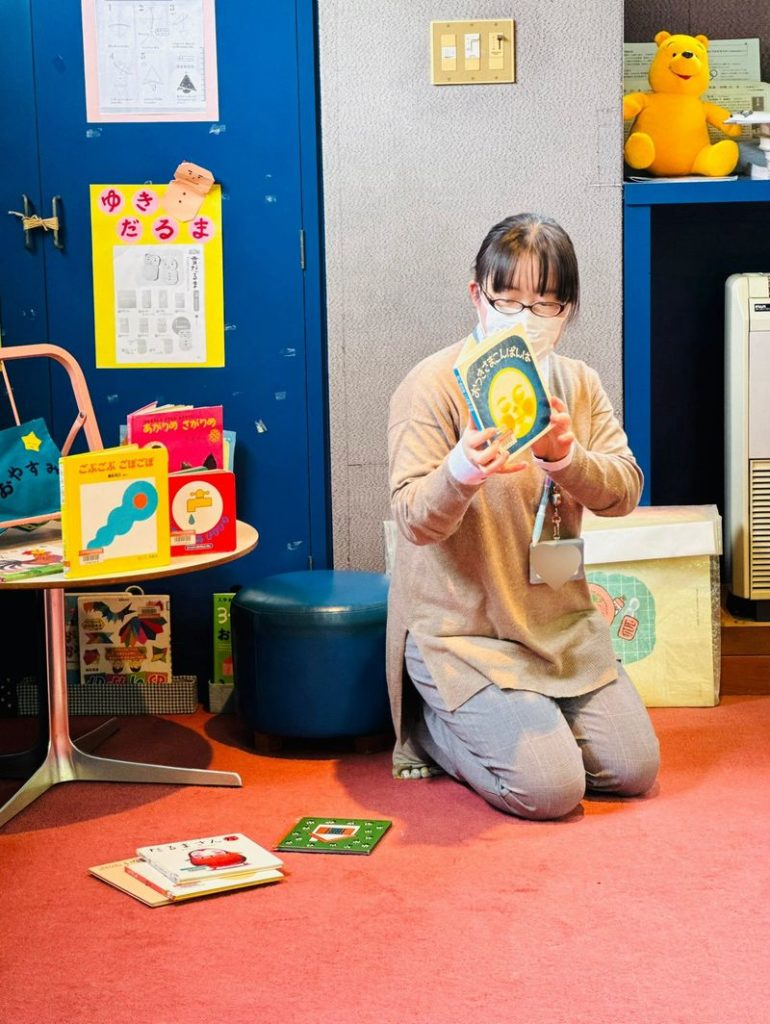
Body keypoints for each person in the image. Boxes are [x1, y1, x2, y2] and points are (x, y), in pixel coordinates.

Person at [386, 212, 660, 821]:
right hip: (461, 635)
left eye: (544, 304)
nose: (524, 317)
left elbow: (624, 491)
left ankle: (532, 715)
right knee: (551, 791)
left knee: (633, 771)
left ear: (566, 311)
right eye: (507, 299)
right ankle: (430, 729)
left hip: (557, 625)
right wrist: (459, 472)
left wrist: (567, 458)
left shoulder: (577, 384)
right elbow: (412, 519)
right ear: (476, 295)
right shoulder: (433, 385)